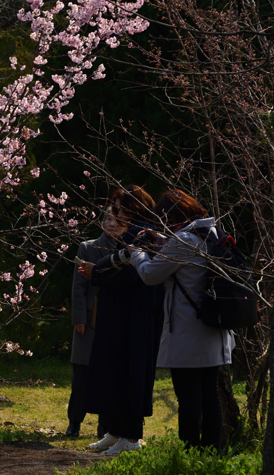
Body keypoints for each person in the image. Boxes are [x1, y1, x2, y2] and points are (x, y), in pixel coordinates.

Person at [129, 189, 235, 450]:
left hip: (188, 330)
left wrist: (136, 254)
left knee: (188, 398)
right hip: (216, 327)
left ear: (172, 216)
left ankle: (190, 453)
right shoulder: (213, 233)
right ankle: (213, 452)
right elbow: (187, 255)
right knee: (210, 395)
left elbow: (151, 274)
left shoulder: (183, 240)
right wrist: (162, 239)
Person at [77, 185, 162, 455]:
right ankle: (114, 432)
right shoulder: (129, 234)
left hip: (135, 316)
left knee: (130, 374)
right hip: (116, 313)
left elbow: (136, 275)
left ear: (135, 207)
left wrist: (97, 273)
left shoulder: (144, 235)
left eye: (120, 205)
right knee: (112, 371)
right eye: (113, 205)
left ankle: (131, 436)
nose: (115, 211)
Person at [65, 212, 116, 438]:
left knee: (109, 375)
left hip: (115, 317)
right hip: (89, 316)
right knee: (82, 375)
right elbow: (78, 286)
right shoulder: (87, 247)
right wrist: (79, 318)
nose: (112, 224)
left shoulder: (130, 249)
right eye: (108, 220)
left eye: (117, 220)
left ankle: (105, 427)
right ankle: (74, 422)